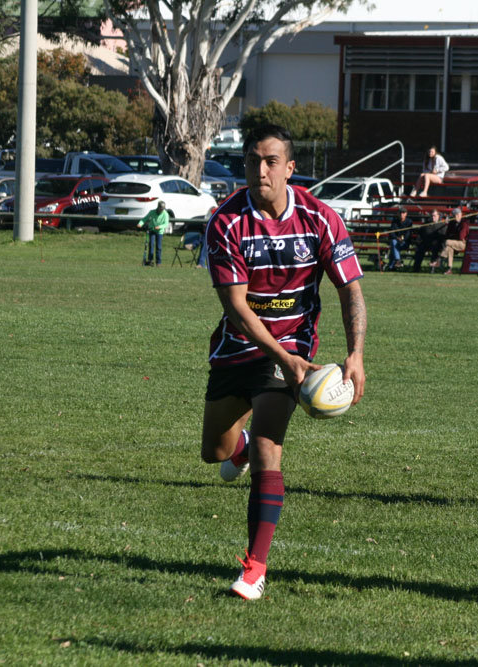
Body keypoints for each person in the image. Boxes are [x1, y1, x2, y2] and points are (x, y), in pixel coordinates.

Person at [201, 124, 367, 600]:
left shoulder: (320, 219)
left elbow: (350, 290)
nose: (261, 170)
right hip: (238, 346)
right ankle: (237, 447)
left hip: (292, 345)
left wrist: (355, 354)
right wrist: (284, 359)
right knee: (215, 452)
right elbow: (236, 306)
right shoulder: (226, 221)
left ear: (290, 168)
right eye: (253, 161)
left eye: (271, 161)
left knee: (268, 447)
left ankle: (254, 569)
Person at [432, 207, 470, 275]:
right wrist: (453, 236)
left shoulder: (464, 223)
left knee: (447, 242)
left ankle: (439, 260)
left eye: (454, 215)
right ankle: (449, 269)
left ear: (459, 215)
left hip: (462, 243)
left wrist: (452, 236)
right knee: (449, 248)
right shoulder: (452, 223)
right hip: (452, 243)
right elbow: (447, 234)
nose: (454, 217)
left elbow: (461, 236)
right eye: (453, 216)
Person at [137, 200, 170, 266]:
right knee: (151, 244)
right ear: (158, 207)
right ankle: (150, 260)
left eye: (163, 209)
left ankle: (158, 262)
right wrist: (140, 223)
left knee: (158, 247)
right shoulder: (152, 212)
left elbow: (166, 224)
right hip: (152, 230)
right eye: (160, 209)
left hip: (160, 232)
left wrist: (159, 227)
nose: (161, 210)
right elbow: (145, 218)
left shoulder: (165, 214)